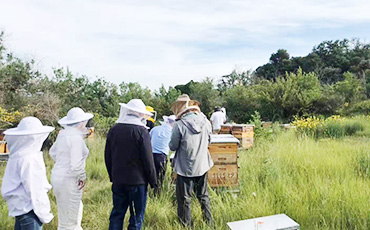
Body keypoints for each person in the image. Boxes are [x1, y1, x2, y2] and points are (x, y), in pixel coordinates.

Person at [105, 99, 157, 230]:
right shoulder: (142, 131)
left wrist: (112, 175)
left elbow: (107, 156)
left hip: (118, 180)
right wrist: (153, 181)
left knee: (117, 214)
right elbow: (148, 159)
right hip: (137, 182)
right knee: (136, 218)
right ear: (140, 114)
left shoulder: (114, 130)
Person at [1, 117, 55, 230]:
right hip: (31, 211)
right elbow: (35, 189)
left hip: (21, 210)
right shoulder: (29, 159)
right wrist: (44, 214)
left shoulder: (18, 155)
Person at [169, 94, 214, 227]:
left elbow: (172, 146)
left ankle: (186, 225)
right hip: (202, 165)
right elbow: (209, 141)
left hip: (184, 167)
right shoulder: (206, 122)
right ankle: (209, 223)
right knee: (203, 196)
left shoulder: (179, 125)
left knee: (184, 199)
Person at [49, 107, 94, 230]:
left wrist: (63, 164)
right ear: (80, 123)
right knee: (69, 220)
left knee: (67, 212)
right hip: (69, 179)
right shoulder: (75, 138)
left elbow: (52, 153)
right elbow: (76, 164)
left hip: (58, 176)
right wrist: (82, 177)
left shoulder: (63, 135)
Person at [149, 115, 176, 195]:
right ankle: (156, 195)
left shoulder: (155, 129)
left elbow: (148, 140)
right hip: (161, 157)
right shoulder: (172, 132)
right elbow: (173, 146)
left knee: (149, 176)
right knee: (159, 178)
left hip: (150, 156)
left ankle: (148, 193)